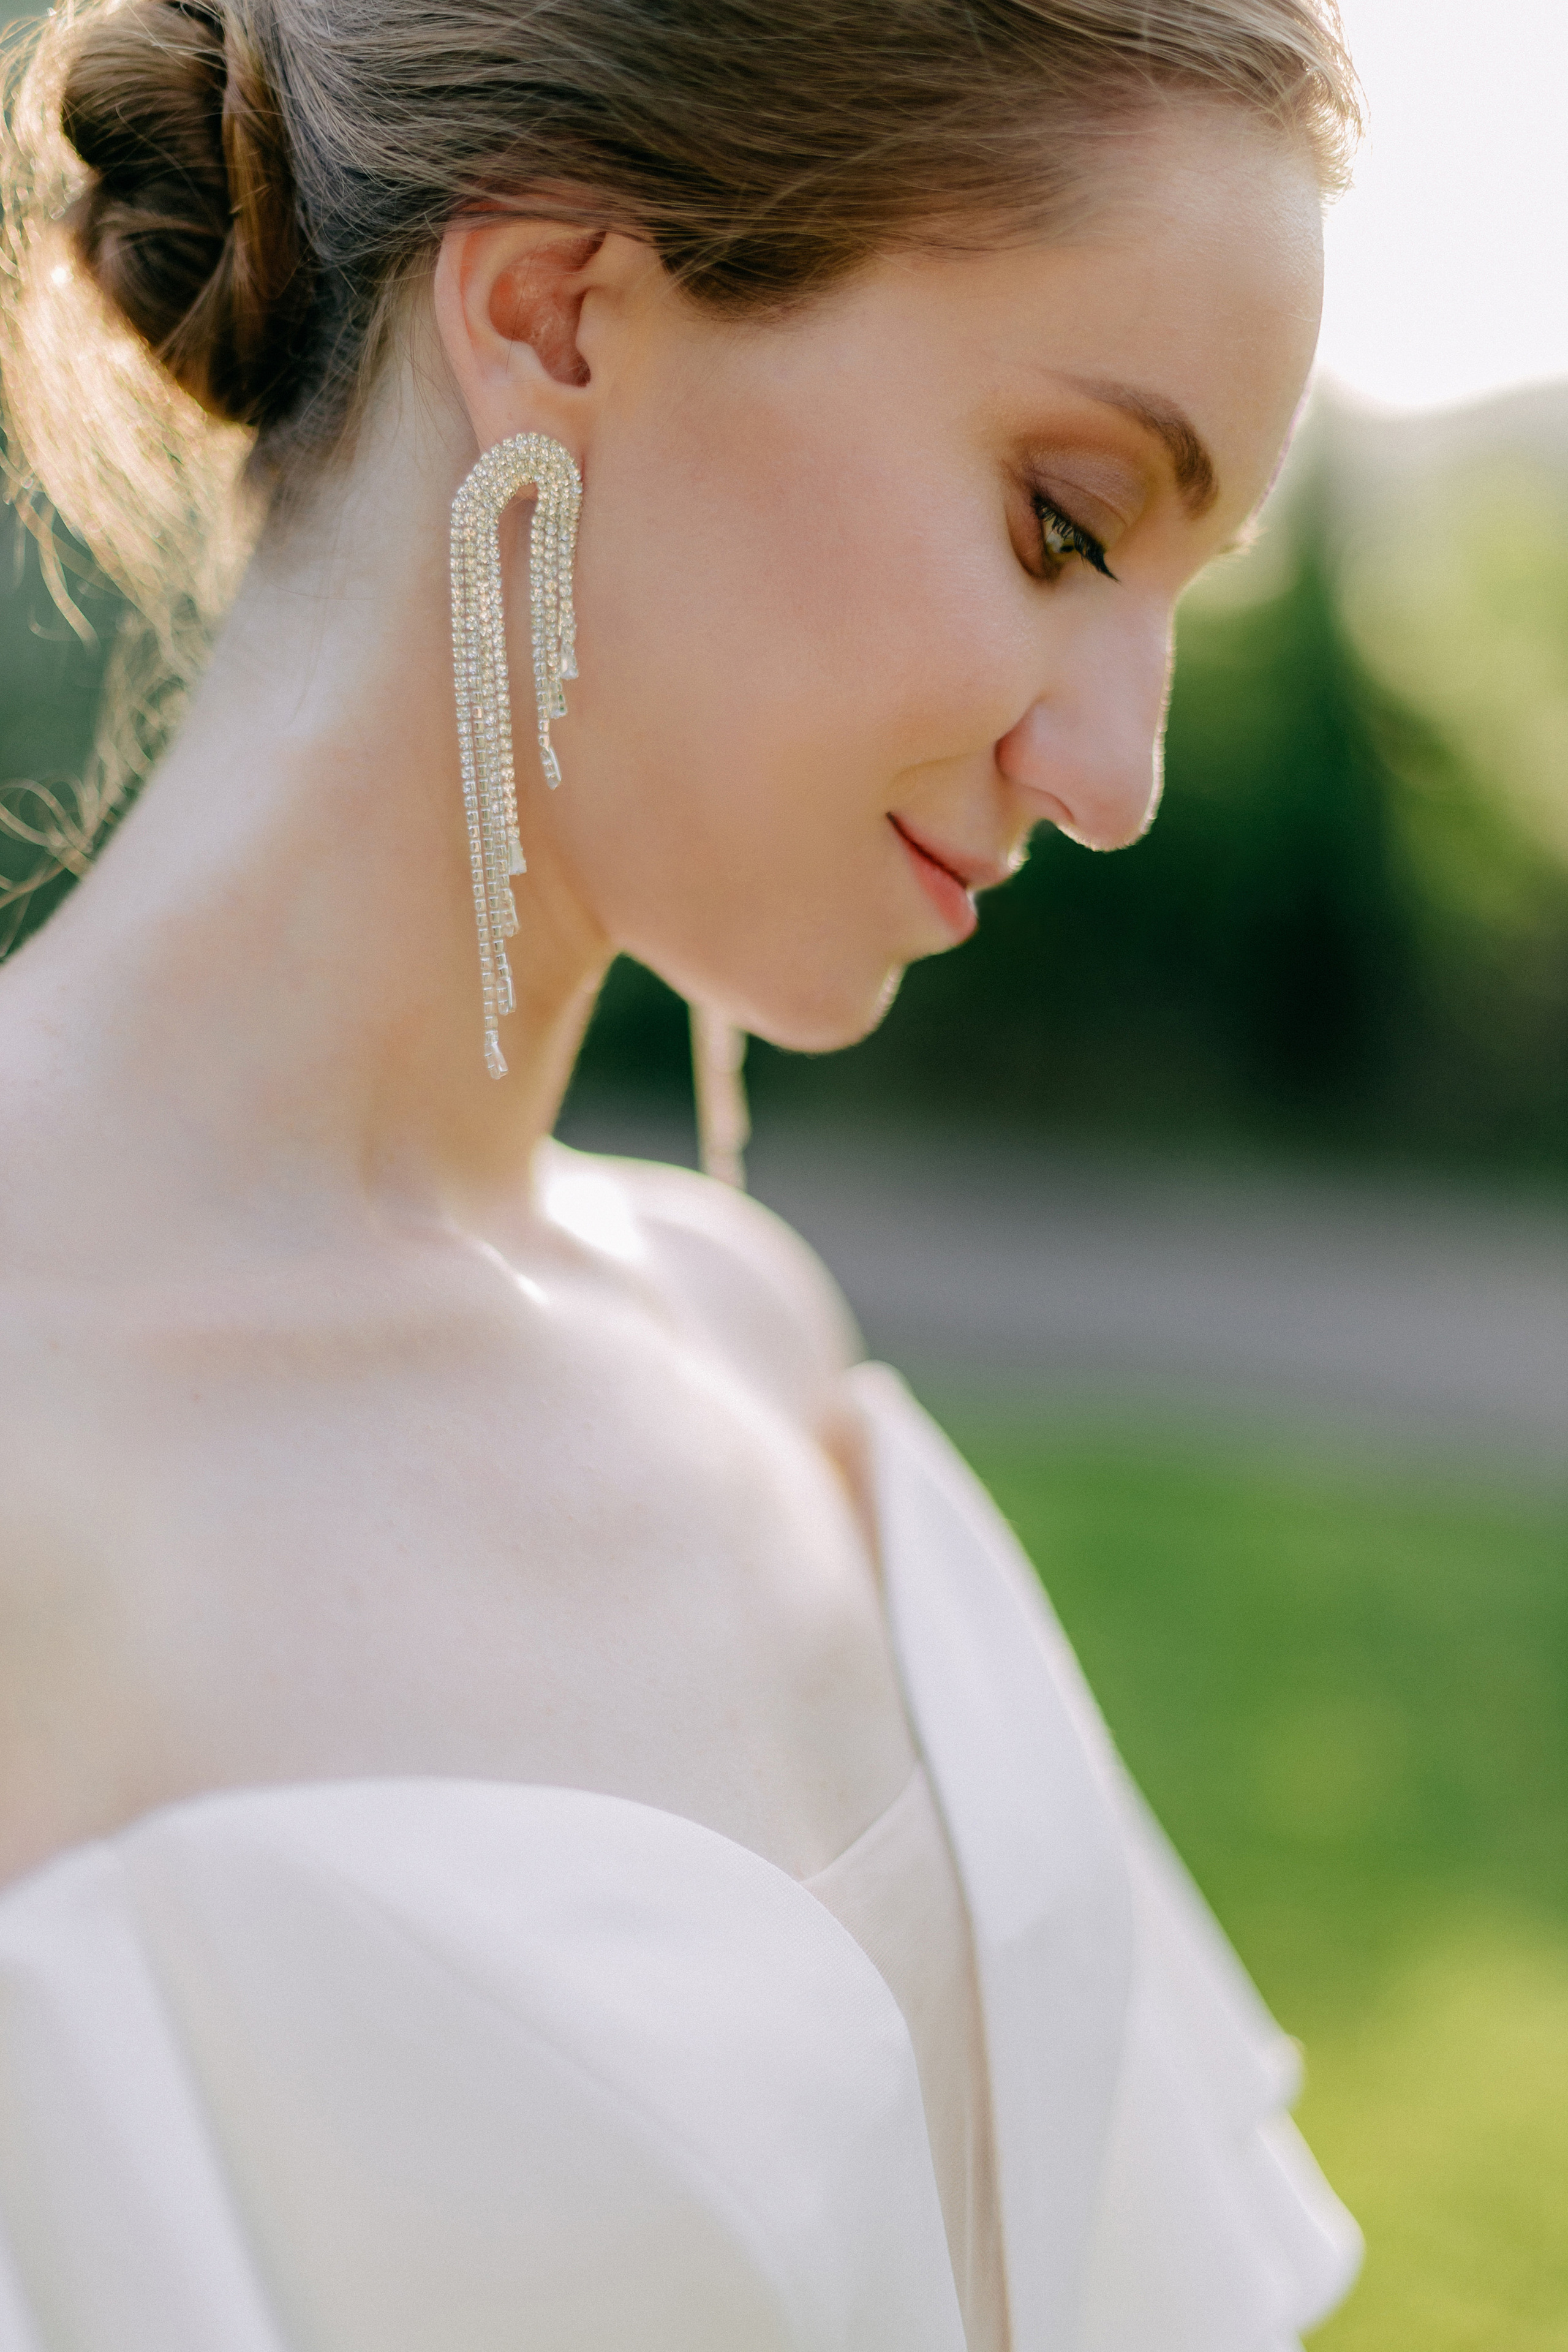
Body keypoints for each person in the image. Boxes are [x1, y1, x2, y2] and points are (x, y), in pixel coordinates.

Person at [0, 2, 1363, 2346]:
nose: (1121, 768)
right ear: (552, 315)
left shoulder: (763, 1347)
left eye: (1174, 589)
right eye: (1065, 522)